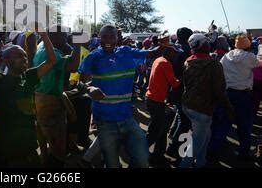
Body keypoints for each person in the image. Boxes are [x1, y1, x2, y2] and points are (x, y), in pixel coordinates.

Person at [78, 24, 165, 168]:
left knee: (143, 160)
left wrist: (161, 46)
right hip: (104, 120)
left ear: (117, 38)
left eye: (112, 37)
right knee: (112, 163)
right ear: (99, 38)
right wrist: (89, 88)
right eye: (104, 36)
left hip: (126, 118)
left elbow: (151, 53)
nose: (108, 40)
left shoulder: (126, 52)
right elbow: (79, 84)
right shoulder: (93, 57)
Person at [0, 14, 57, 168]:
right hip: (7, 151)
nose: (24, 59)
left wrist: (44, 35)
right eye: (19, 56)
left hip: (28, 146)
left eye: (24, 55)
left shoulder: (29, 77)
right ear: (6, 61)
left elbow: (51, 61)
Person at [179, 33, 233, 168]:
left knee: (205, 137)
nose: (209, 44)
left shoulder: (188, 61)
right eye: (207, 42)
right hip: (202, 109)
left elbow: (186, 84)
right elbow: (219, 90)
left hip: (187, 105)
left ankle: (201, 164)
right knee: (197, 141)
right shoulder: (214, 64)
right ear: (204, 45)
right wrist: (229, 107)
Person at [208, 34, 262, 164]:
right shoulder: (250, 57)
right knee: (244, 127)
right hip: (244, 96)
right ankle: (243, 155)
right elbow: (259, 63)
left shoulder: (226, 56)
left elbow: (220, 70)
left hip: (227, 94)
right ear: (248, 45)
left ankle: (213, 153)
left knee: (223, 125)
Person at [33, 25, 81, 167]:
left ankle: (45, 160)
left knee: (43, 136)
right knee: (57, 144)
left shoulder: (42, 47)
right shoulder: (51, 52)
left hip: (40, 97)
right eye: (64, 36)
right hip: (51, 101)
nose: (66, 40)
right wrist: (77, 44)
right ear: (53, 37)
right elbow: (73, 66)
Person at [145, 46, 181, 167]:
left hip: (151, 98)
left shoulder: (158, 59)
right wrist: (185, 78)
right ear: (168, 53)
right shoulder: (166, 63)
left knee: (159, 128)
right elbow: (174, 83)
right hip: (156, 101)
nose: (176, 56)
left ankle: (157, 155)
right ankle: (141, 153)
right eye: (174, 53)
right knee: (156, 131)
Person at [166, 27, 193, 160]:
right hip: (183, 88)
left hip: (172, 86)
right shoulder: (187, 51)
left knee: (180, 114)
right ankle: (173, 148)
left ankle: (172, 134)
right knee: (186, 121)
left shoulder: (172, 48)